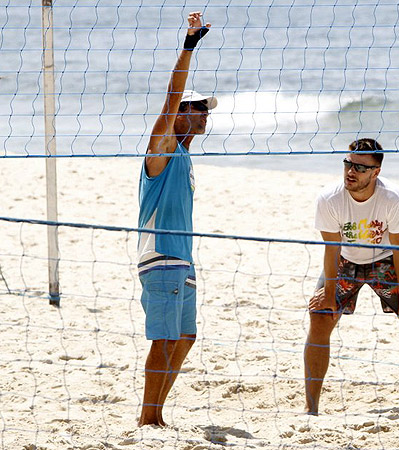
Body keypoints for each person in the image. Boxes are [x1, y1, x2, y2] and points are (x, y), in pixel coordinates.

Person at [303, 138, 399, 415]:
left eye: (360, 168)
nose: (350, 172)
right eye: (347, 163)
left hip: (388, 258)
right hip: (346, 259)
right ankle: (311, 407)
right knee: (320, 318)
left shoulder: (395, 197)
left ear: (375, 172)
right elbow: (331, 249)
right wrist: (329, 294)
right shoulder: (329, 198)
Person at [136, 11, 217, 427]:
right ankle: (149, 418)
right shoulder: (161, 150)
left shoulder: (184, 155)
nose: (206, 115)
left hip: (182, 260)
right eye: (199, 108)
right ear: (180, 113)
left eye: (206, 109)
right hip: (161, 258)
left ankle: (156, 413)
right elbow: (171, 97)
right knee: (165, 338)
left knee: (186, 338)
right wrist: (189, 46)